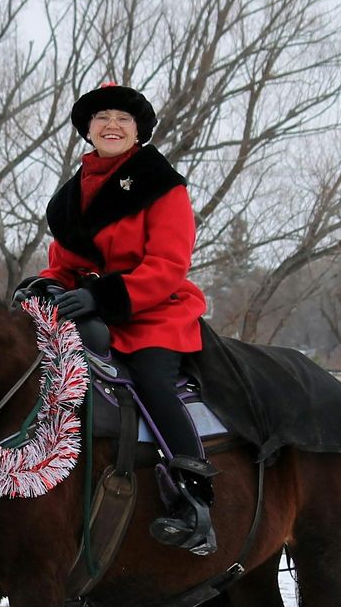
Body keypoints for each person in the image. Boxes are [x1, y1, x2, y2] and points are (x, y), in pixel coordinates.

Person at [19, 83, 216, 555]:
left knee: (150, 377)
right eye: (103, 117)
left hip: (153, 310)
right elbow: (64, 263)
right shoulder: (71, 196)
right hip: (94, 308)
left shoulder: (161, 184)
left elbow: (168, 266)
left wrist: (101, 297)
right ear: (88, 129)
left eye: (123, 119)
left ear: (139, 131)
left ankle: (195, 499)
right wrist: (45, 285)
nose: (112, 125)